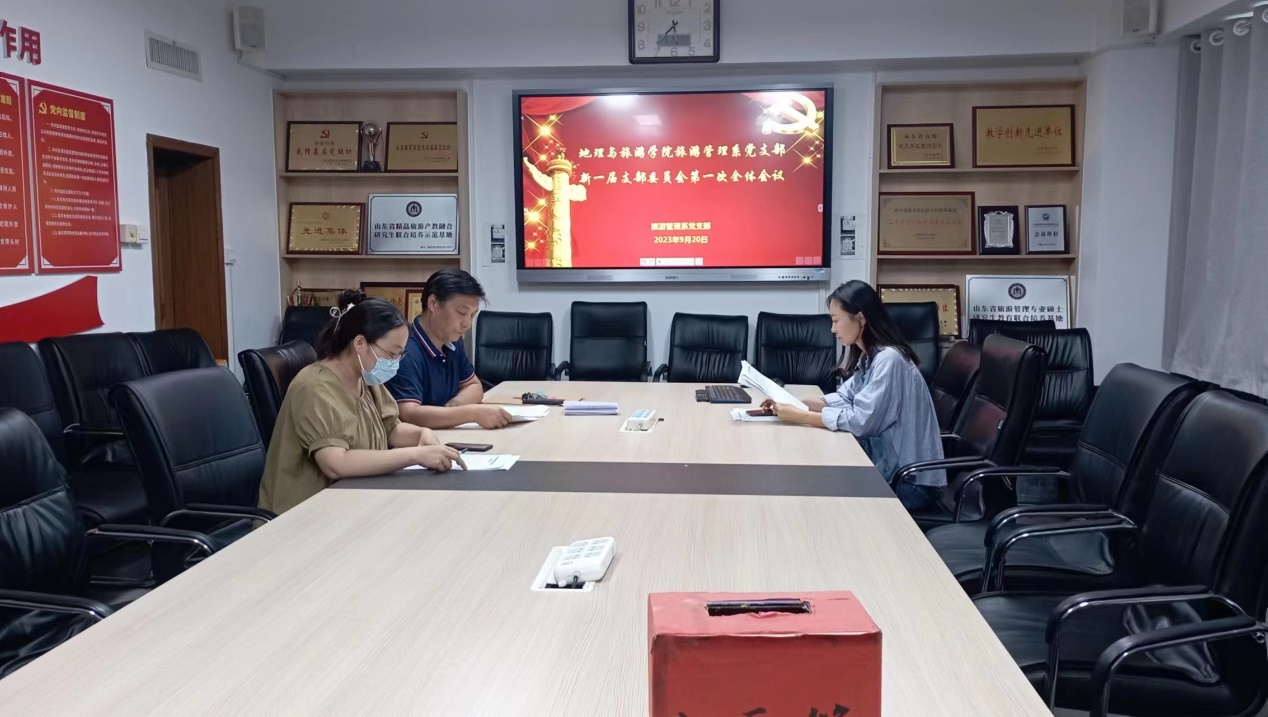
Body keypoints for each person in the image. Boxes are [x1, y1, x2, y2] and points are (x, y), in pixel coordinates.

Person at [258, 290, 466, 514]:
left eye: (400, 355)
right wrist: (415, 455)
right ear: (360, 343)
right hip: (304, 515)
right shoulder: (314, 387)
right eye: (392, 354)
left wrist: (421, 434)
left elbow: (389, 428)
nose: (395, 363)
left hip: (354, 502)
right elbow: (336, 463)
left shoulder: (365, 377)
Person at [762, 280, 945, 510]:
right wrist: (792, 403)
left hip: (911, 483)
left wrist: (801, 416)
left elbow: (861, 422)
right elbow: (844, 398)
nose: (833, 330)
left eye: (836, 320)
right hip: (890, 470)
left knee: (828, 500)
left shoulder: (890, 360)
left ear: (860, 319)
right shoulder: (870, 357)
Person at [386, 269, 513, 429]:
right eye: (461, 313)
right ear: (433, 303)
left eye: (472, 315)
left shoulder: (452, 341)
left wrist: (453, 408)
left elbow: (474, 386)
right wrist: (471, 413)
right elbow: (409, 414)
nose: (467, 323)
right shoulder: (405, 350)